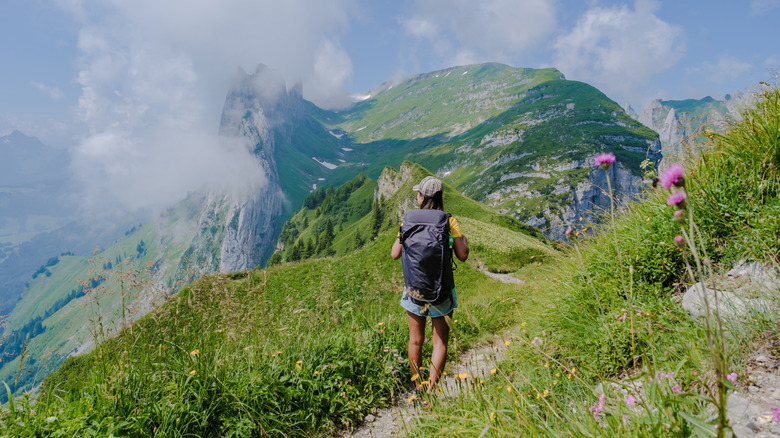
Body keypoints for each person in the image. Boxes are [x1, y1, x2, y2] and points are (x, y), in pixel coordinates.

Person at [391, 176, 469, 395]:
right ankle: (431, 392)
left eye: (418, 194)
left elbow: (395, 253)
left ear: (422, 197)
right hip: (441, 290)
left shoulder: (408, 220)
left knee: (415, 341)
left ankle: (418, 388)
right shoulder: (448, 221)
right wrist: (463, 241)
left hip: (414, 290)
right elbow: (462, 256)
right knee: (439, 342)